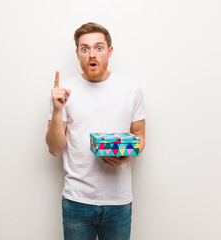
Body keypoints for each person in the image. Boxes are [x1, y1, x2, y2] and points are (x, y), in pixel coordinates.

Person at [46, 22, 146, 240]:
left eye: (99, 48)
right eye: (85, 48)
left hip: (119, 202)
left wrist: (126, 156)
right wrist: (56, 110)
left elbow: (140, 136)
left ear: (109, 51)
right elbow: (54, 148)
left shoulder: (131, 89)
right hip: (77, 201)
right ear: (78, 54)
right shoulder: (63, 91)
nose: (92, 54)